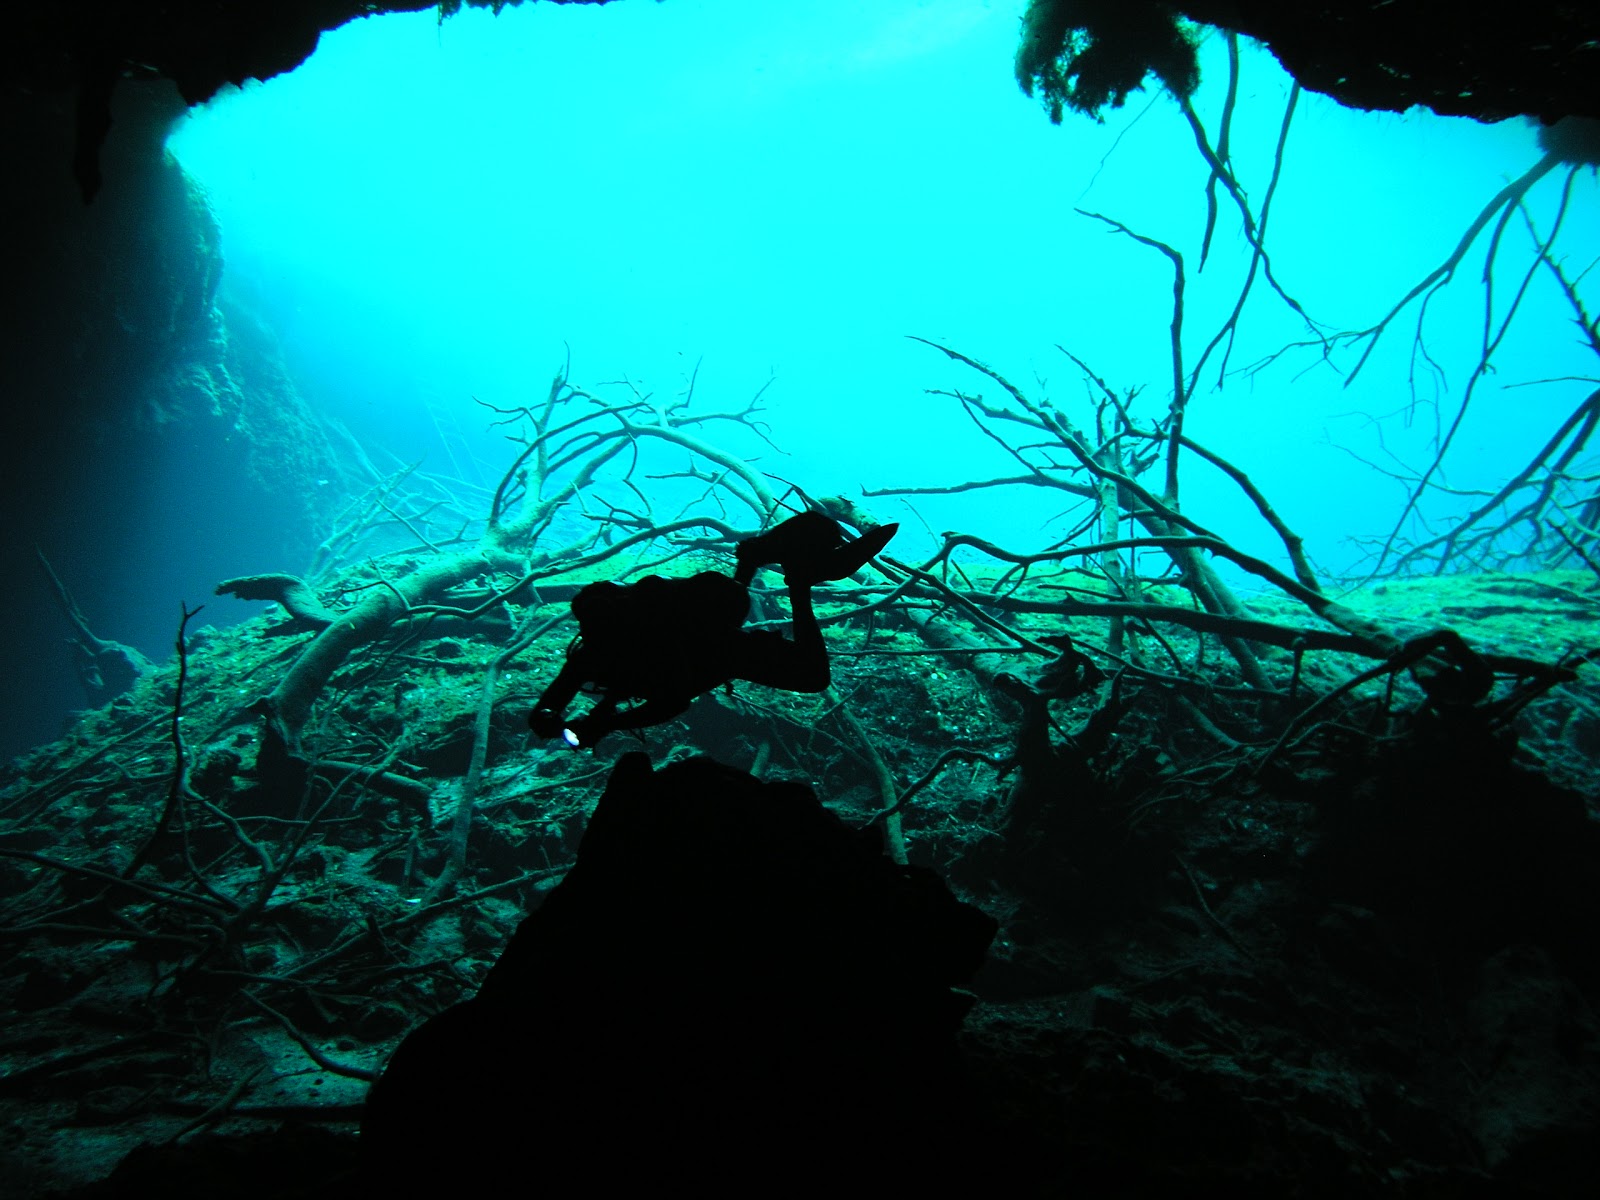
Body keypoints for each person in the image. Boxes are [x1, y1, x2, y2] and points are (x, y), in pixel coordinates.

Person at [528, 511, 897, 748]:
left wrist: (606, 724)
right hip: (709, 635)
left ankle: (792, 575)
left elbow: (672, 700)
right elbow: (554, 697)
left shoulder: (655, 640)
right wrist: (547, 716)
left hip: (709, 646)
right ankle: (766, 558)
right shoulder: (594, 651)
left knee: (811, 676)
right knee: (743, 603)